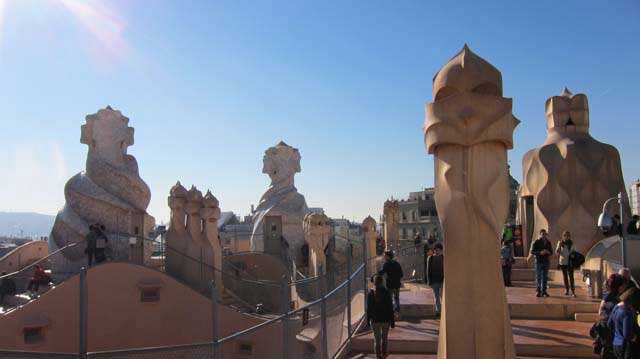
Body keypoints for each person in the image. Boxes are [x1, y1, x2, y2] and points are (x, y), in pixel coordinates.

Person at [594, 274, 627, 359]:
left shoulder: (610, 297)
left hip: (608, 332)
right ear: (618, 287)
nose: (624, 287)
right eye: (622, 285)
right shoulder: (611, 299)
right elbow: (605, 315)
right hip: (608, 333)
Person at [367, 275, 395, 359]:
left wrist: (368, 319)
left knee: (377, 340)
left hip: (375, 320)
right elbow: (390, 308)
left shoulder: (370, 293)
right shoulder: (386, 292)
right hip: (386, 320)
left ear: (374, 282)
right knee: (384, 339)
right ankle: (384, 355)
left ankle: (378, 356)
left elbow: (369, 308)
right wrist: (392, 321)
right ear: (382, 282)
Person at [607, 287, 640, 359]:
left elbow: (609, 324)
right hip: (626, 347)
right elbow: (627, 334)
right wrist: (635, 337)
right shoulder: (628, 313)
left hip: (616, 344)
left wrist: (618, 333)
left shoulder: (616, 307)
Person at [530, 229, 553, 297]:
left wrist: (548, 252)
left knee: (545, 277)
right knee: (539, 276)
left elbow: (551, 252)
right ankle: (538, 291)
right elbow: (532, 252)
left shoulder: (548, 242)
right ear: (540, 234)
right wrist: (540, 252)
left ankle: (544, 291)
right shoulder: (537, 242)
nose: (544, 236)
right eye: (542, 234)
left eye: (545, 234)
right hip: (539, 261)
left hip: (546, 261)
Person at [425, 243, 444, 316]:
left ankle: (443, 311)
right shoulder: (430, 258)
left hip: (442, 280)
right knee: (436, 297)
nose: (436, 251)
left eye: (438, 250)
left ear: (441, 250)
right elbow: (428, 270)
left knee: (442, 295)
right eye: (435, 250)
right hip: (434, 280)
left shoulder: (443, 257)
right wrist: (429, 281)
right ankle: (438, 311)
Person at [556, 231, 576, 296]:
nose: (566, 237)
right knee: (565, 277)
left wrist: (573, 255)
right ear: (563, 236)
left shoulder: (572, 243)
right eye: (565, 235)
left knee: (571, 277)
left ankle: (573, 291)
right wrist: (558, 250)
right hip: (563, 262)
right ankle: (566, 289)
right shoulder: (560, 243)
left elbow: (574, 251)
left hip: (570, 262)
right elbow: (557, 252)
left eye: (568, 236)